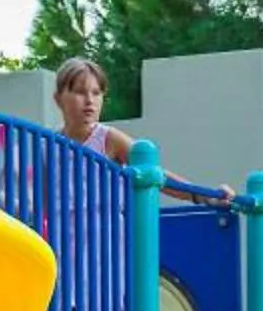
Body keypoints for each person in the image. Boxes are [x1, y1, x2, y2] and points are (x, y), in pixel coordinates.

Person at [53, 57, 232, 203]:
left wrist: (205, 196)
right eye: (80, 91)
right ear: (58, 99)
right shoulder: (49, 144)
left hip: (107, 240)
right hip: (61, 243)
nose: (89, 100)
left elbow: (155, 176)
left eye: (96, 93)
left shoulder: (108, 139)